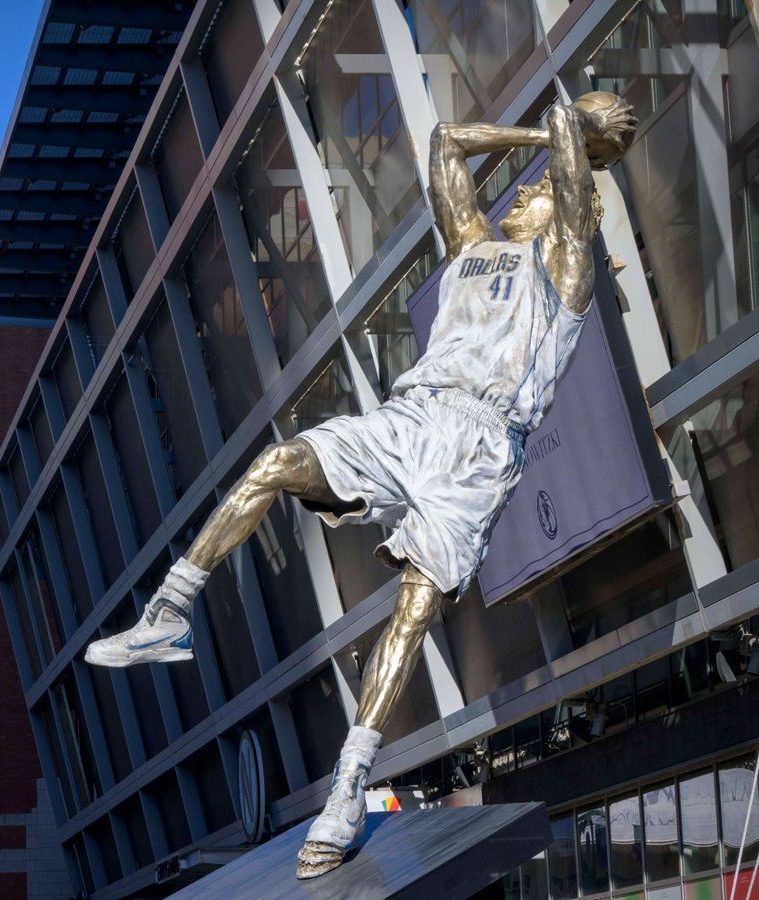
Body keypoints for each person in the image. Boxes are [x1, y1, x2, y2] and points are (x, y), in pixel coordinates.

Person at [84, 93, 638, 879]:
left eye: (540, 190)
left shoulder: (567, 271)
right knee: (279, 463)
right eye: (530, 186)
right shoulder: (473, 246)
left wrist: (575, 134)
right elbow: (446, 140)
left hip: (479, 446)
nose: (524, 192)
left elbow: (573, 180)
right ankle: (170, 612)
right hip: (413, 414)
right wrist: (542, 130)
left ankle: (349, 785)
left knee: (414, 604)